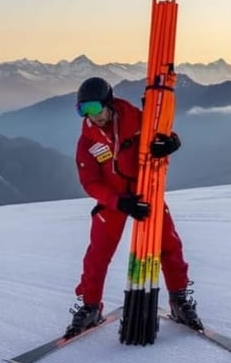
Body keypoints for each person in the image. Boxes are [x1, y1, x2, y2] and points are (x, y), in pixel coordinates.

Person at [67, 77, 202, 336]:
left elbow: (161, 134)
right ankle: (89, 306)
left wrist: (172, 142)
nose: (90, 116)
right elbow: (90, 183)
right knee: (97, 254)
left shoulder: (136, 119)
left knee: (169, 245)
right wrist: (119, 202)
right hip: (115, 200)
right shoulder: (87, 141)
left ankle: (179, 299)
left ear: (109, 103)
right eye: (82, 111)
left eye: (94, 108)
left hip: (145, 192)